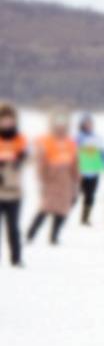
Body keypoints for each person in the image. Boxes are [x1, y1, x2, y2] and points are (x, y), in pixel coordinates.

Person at [27, 113, 78, 246]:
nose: (60, 127)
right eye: (58, 124)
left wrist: (76, 178)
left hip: (66, 181)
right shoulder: (45, 141)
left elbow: (75, 162)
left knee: (62, 210)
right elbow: (40, 162)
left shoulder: (70, 143)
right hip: (51, 180)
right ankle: (30, 234)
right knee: (45, 208)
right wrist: (43, 178)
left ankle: (54, 236)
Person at [0, 103, 27, 267]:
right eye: (4, 120)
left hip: (14, 192)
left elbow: (26, 159)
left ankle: (16, 258)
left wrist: (20, 160)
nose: (7, 123)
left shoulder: (20, 139)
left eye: (10, 120)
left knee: (13, 229)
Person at [74, 114, 104, 227]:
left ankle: (85, 218)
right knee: (74, 195)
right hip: (80, 171)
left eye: (91, 123)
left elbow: (103, 154)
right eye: (87, 123)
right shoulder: (77, 138)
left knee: (90, 195)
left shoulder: (97, 138)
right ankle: (61, 216)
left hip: (93, 171)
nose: (89, 125)